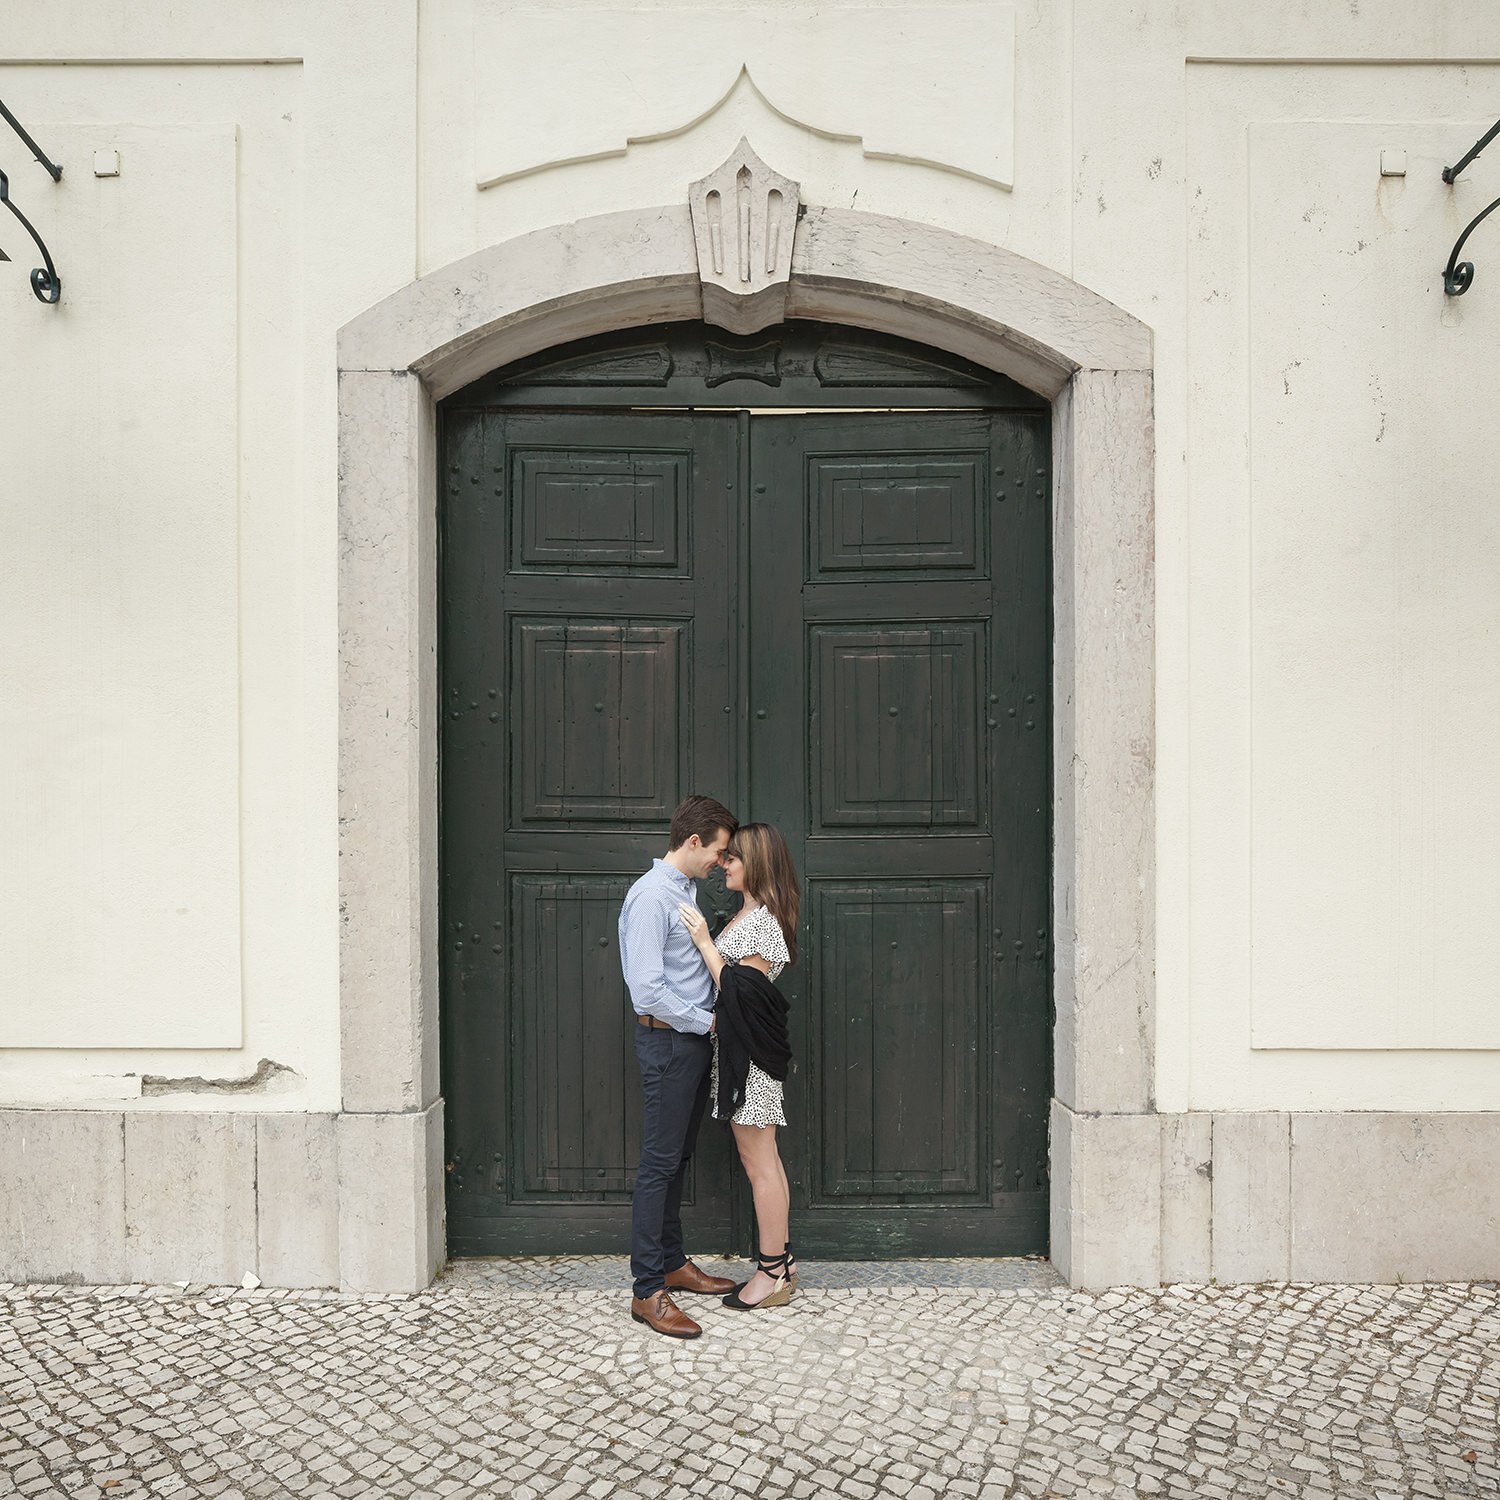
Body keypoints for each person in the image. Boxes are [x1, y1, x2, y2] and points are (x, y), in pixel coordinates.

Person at [618, 794, 741, 1339]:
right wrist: (707, 1023)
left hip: (690, 1042)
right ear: (693, 842)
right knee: (659, 1164)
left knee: (678, 1156)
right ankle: (648, 1290)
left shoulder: (684, 888)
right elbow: (646, 988)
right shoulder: (651, 898)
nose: (721, 861)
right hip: (671, 1042)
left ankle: (672, 1262)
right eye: (717, 851)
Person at [677, 823, 800, 1311]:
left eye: (733, 858)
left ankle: (770, 1273)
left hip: (749, 1059)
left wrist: (706, 942)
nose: (724, 864)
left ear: (757, 864)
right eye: (723, 857)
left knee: (759, 1164)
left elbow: (741, 994)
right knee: (765, 1161)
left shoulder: (763, 922)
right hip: (740, 1056)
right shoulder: (748, 915)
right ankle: (784, 1264)